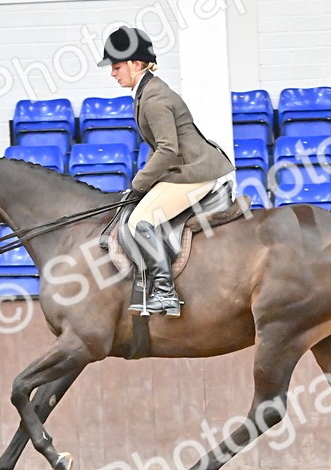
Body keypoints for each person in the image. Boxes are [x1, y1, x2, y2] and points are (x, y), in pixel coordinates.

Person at [98, 25, 235, 317]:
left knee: (140, 221)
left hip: (193, 172)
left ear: (136, 64)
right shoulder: (146, 91)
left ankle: (164, 291)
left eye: (117, 66)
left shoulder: (155, 98)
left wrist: (139, 182)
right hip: (182, 169)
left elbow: (167, 149)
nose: (113, 73)